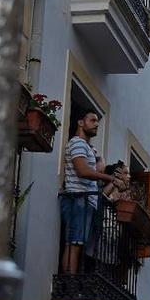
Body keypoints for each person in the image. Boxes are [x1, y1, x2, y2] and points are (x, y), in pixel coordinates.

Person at [61, 110, 119, 274]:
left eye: (98, 122)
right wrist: (111, 179)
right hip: (78, 198)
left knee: (77, 244)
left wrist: (98, 159)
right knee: (74, 243)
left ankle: (70, 281)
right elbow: (82, 171)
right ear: (80, 122)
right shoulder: (78, 143)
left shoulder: (87, 147)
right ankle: (68, 283)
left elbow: (97, 168)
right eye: (92, 120)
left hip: (85, 200)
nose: (96, 124)